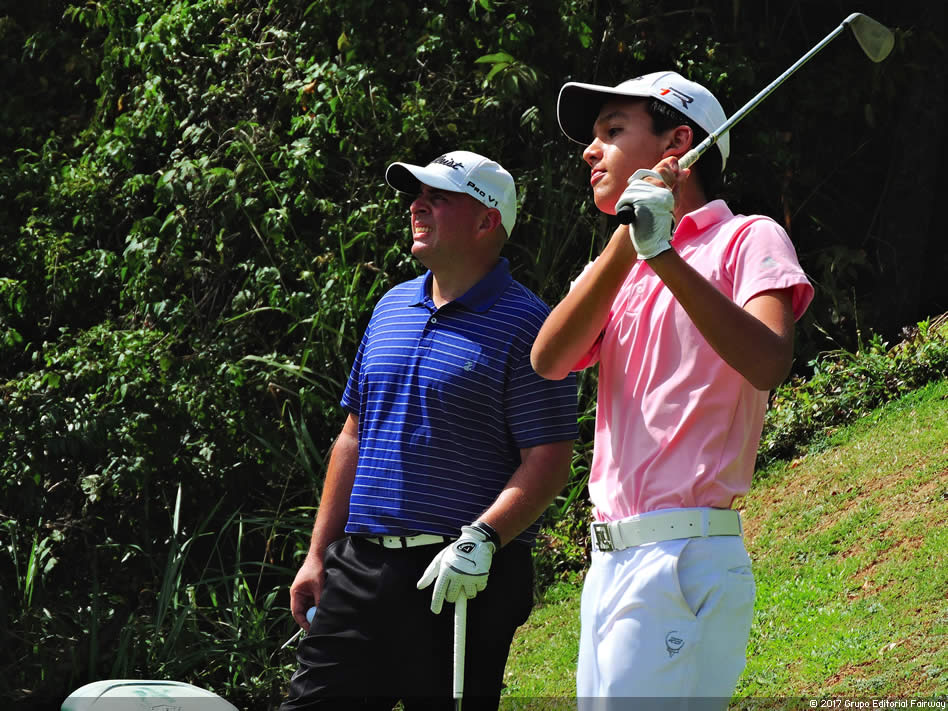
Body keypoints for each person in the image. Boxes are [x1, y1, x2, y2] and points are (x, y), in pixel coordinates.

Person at [531, 71, 815, 705]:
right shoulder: (617, 263)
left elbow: (769, 361)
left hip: (686, 552)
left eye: (612, 131)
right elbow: (548, 358)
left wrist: (664, 255)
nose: (590, 151)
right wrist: (632, 244)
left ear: (678, 143)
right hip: (609, 560)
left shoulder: (748, 237)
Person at [281, 150, 578, 710]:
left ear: (487, 221)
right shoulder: (391, 306)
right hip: (359, 569)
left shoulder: (531, 324)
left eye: (438, 197)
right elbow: (353, 435)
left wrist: (483, 538)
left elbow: (548, 459)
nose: (417, 206)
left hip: (463, 576)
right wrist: (318, 553)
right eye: (417, 196)